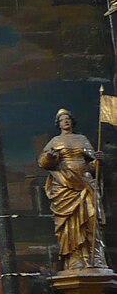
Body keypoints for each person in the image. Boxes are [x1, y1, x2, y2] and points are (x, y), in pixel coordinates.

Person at [39, 108, 106, 270]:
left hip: (85, 183)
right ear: (59, 124)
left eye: (68, 118)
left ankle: (94, 256)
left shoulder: (82, 139)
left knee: (91, 220)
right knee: (70, 223)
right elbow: (43, 162)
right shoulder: (55, 141)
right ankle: (75, 257)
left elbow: (92, 166)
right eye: (62, 120)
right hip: (64, 186)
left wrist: (97, 161)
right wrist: (50, 157)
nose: (66, 121)